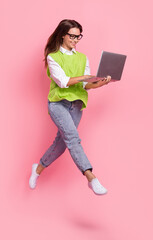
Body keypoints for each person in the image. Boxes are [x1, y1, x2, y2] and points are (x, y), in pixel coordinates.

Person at [29, 19, 111, 195]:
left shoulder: (82, 58)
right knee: (73, 138)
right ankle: (91, 178)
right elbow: (63, 82)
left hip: (76, 105)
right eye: (72, 36)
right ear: (63, 35)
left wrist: (100, 83)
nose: (75, 40)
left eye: (78, 36)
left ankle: (37, 169)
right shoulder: (53, 57)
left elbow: (85, 86)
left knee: (61, 144)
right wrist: (84, 77)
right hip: (58, 103)